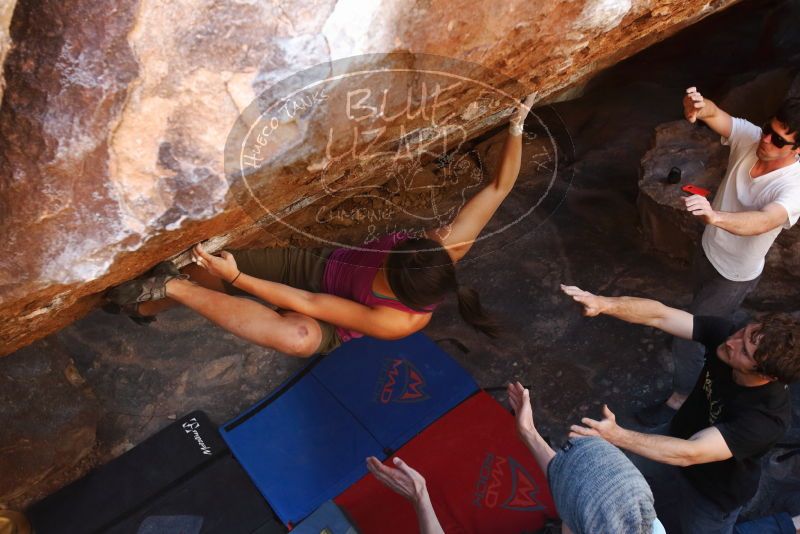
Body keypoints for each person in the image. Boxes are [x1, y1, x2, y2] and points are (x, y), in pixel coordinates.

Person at [105, 94, 537, 357]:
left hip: (327, 317)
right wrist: (517, 125)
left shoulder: (397, 323)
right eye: (409, 244)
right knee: (205, 273)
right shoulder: (446, 246)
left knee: (293, 334)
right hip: (317, 268)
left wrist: (238, 275)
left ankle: (169, 289)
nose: (392, 250)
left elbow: (310, 304)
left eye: (388, 262)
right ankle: (145, 305)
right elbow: (498, 188)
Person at [561, 283, 800, 533]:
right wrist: (604, 304)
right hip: (674, 434)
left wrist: (618, 436)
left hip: (713, 492)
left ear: (768, 376)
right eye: (744, 332)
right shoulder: (728, 338)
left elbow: (691, 453)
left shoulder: (766, 418)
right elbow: (661, 314)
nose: (733, 342)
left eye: (745, 352)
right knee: (617, 479)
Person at [639, 87, 800, 426]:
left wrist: (716, 218)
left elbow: (764, 220)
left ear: (797, 150)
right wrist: (699, 105)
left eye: (778, 139)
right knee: (701, 310)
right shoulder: (753, 140)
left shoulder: (793, 186)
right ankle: (717, 333)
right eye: (768, 129)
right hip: (709, 251)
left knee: (688, 340)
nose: (766, 139)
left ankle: (679, 399)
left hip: (734, 275)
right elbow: (718, 116)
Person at [366, 382, 664, 534]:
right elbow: (574, 487)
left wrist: (420, 497)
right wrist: (529, 434)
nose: (557, 462)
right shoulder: (639, 519)